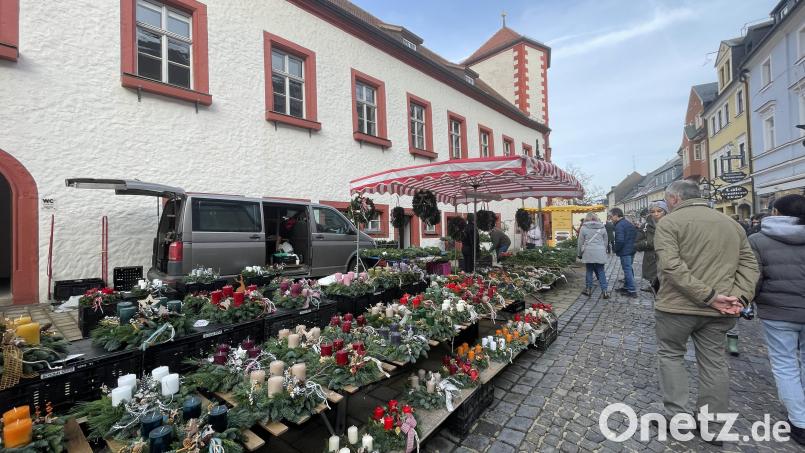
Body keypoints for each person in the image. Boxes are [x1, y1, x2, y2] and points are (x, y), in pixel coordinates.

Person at [653, 180, 758, 445]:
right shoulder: (732, 224)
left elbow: (671, 267)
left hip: (677, 306)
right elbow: (750, 266)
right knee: (714, 362)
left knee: (672, 356)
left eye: (666, 200)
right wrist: (740, 296)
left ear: (674, 199)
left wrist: (708, 296)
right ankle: (712, 425)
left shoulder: (669, 223)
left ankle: (678, 419)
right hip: (721, 310)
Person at [748, 194, 805, 446]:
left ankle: (800, 422)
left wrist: (749, 301)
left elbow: (754, 278)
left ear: (776, 212)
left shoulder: (759, 240)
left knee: (785, 365)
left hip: (779, 311)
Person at [635, 201, 667, 292]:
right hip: (651, 261)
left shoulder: (672, 224)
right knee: (656, 291)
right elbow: (637, 244)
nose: (656, 214)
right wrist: (648, 243)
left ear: (665, 211)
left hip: (668, 261)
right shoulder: (645, 226)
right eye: (652, 212)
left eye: (659, 211)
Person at [577, 213, 609, 299]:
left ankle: (588, 289)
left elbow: (580, 242)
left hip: (588, 252)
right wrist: (603, 250)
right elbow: (606, 241)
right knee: (601, 271)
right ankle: (605, 291)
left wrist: (579, 254)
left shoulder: (583, 228)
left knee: (589, 270)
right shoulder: (602, 227)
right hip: (600, 251)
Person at [609, 208, 638, 298]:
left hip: (625, 251)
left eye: (611, 216)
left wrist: (616, 249)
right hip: (631, 249)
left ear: (616, 215)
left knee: (627, 269)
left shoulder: (619, 225)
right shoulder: (627, 223)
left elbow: (620, 241)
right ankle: (627, 287)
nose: (610, 218)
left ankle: (632, 290)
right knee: (629, 268)